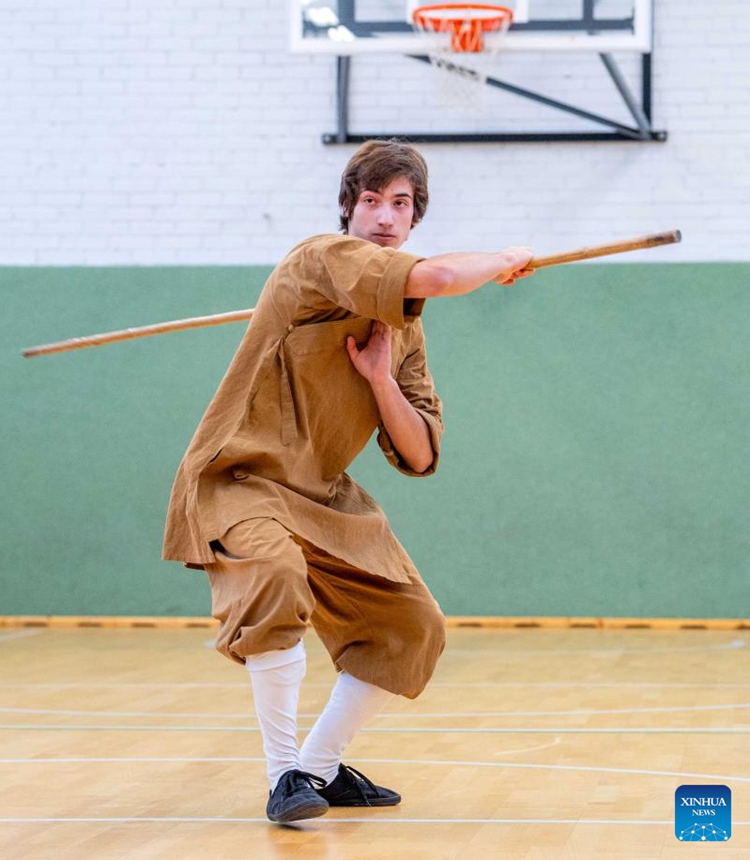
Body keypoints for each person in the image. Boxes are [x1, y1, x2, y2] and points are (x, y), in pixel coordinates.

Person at [163, 139, 534, 823]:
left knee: (411, 626)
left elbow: (419, 453)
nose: (386, 216)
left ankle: (320, 768)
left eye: (401, 204)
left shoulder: (404, 329)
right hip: (239, 477)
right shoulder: (316, 260)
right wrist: (505, 260)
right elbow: (445, 277)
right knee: (273, 578)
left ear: (414, 216)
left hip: (321, 493)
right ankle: (284, 781)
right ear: (349, 209)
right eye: (372, 201)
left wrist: (380, 378)